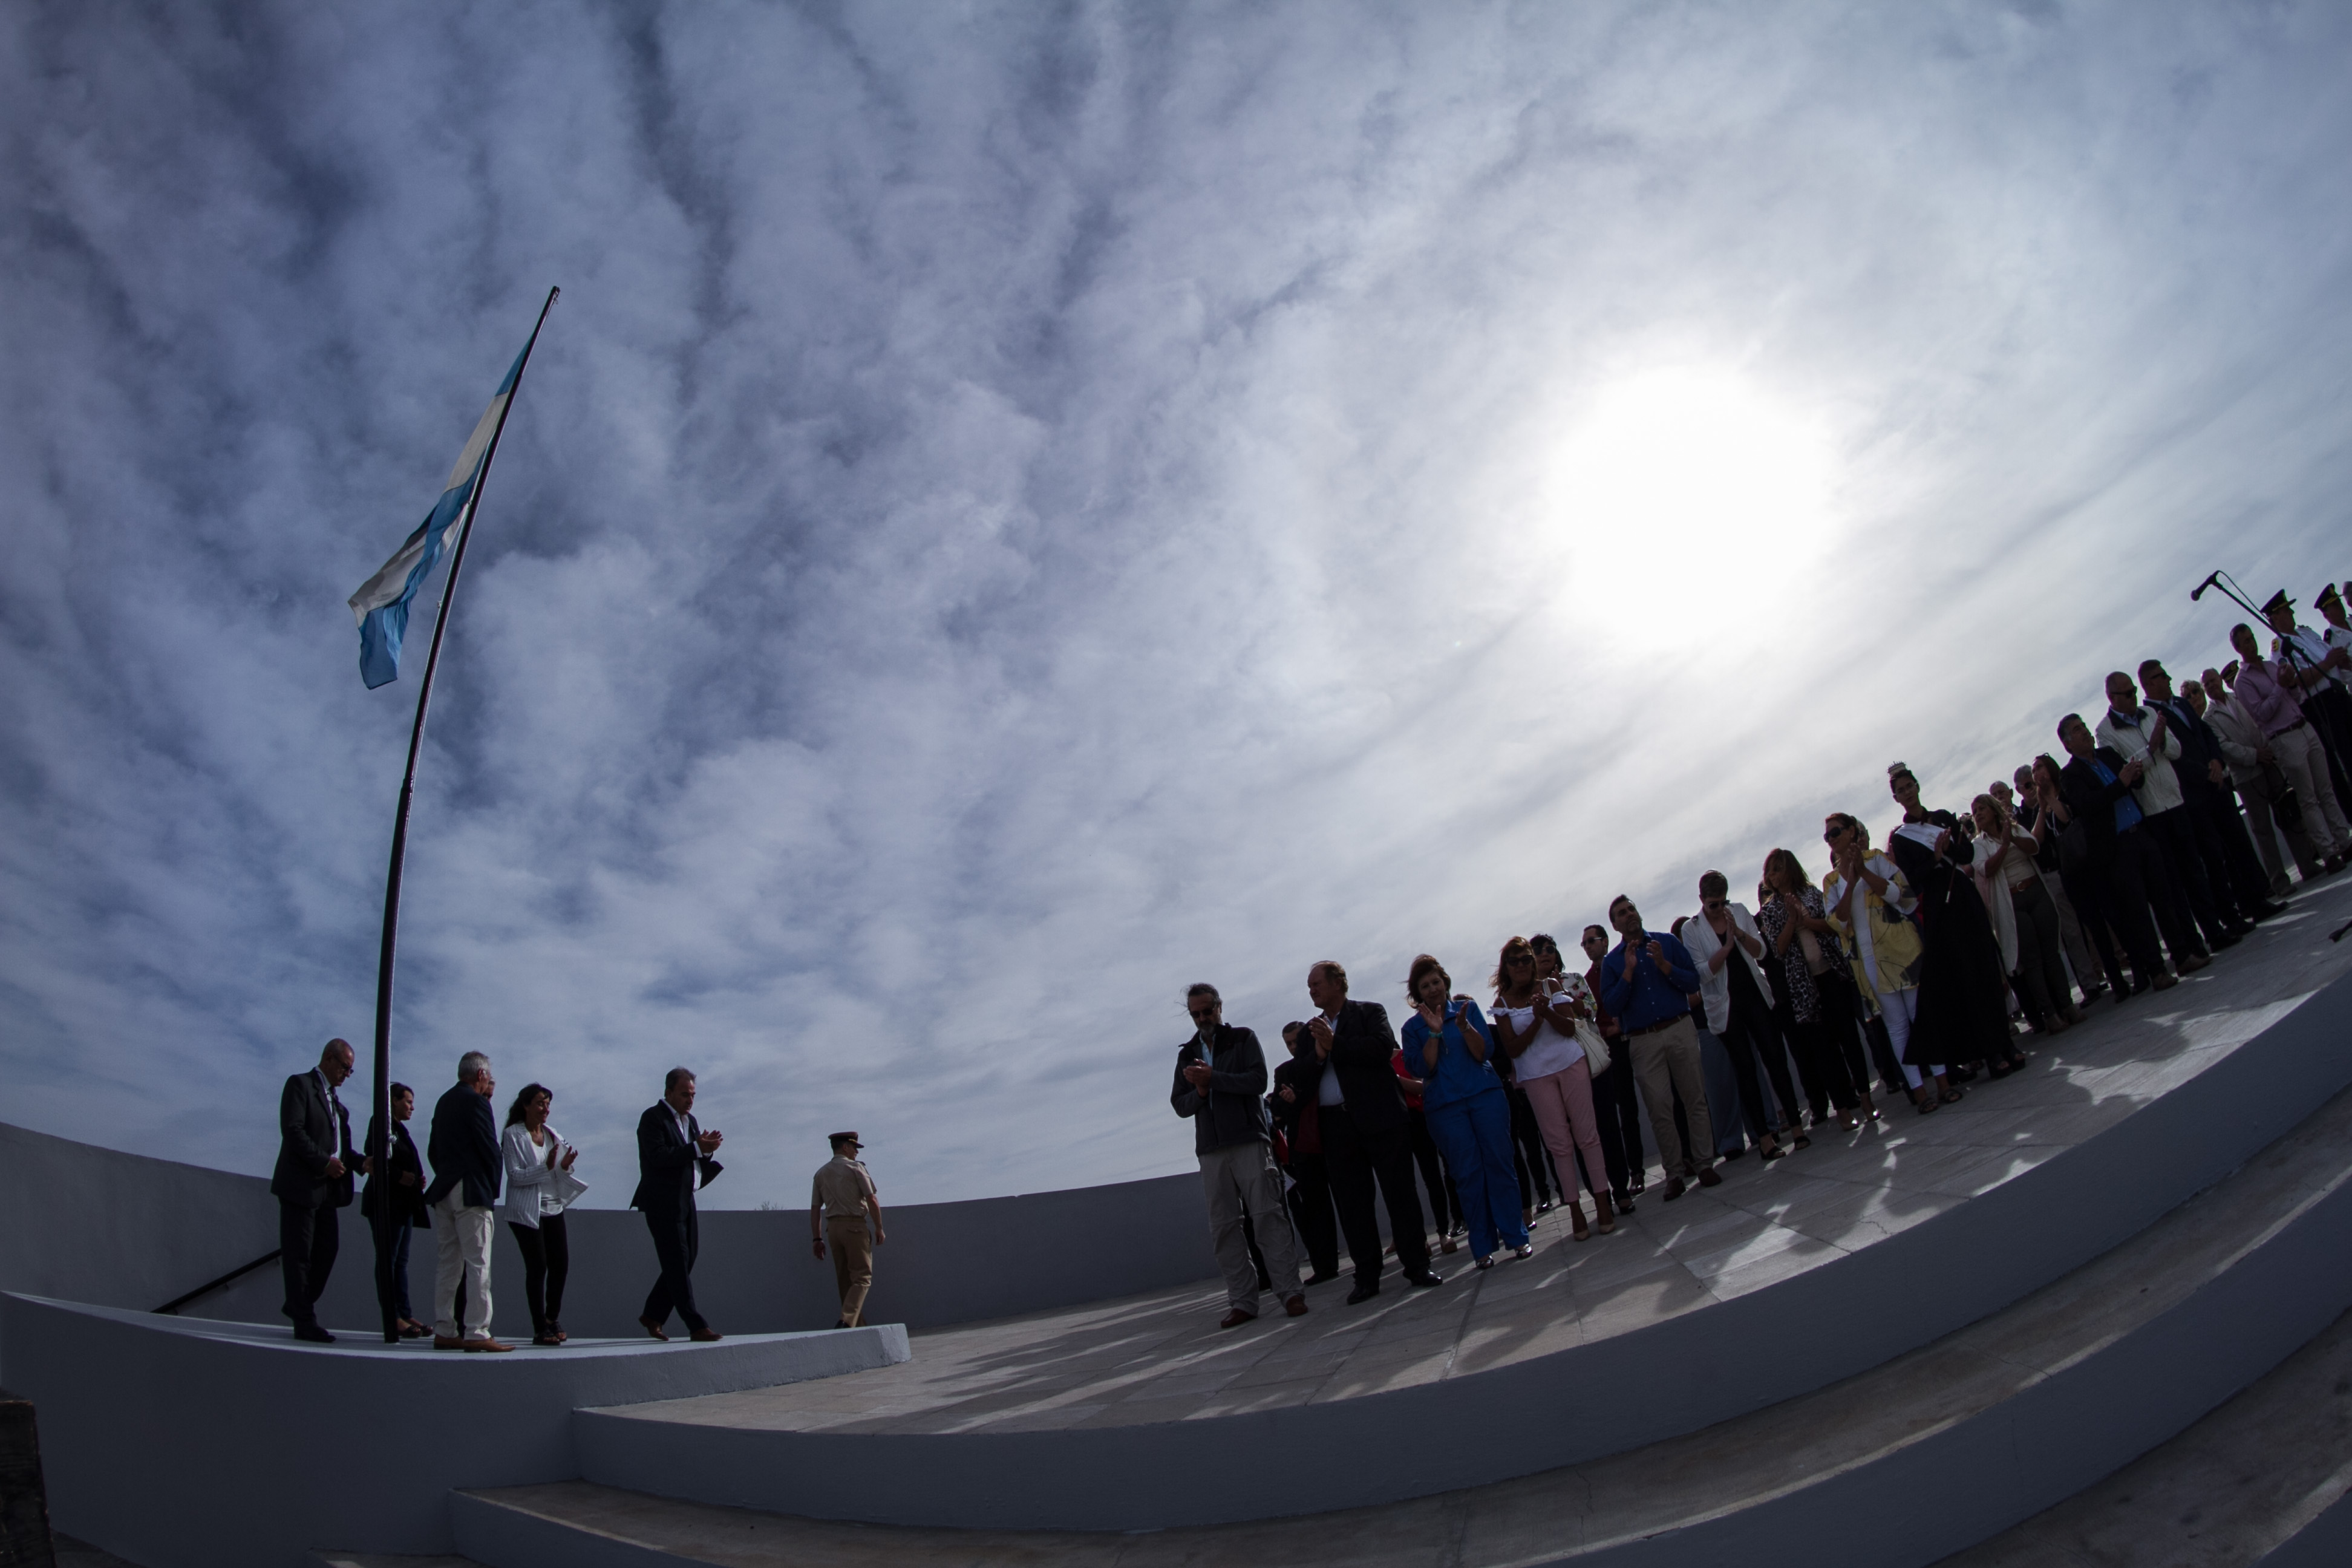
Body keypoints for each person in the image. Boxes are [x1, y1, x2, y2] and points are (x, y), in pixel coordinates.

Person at [1301, 961, 1442, 1304]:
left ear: (1338, 984)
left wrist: (1336, 1045)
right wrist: (1319, 1057)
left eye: (1317, 984)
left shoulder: (1370, 1012)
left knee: (1400, 1193)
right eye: (1309, 986)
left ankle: (1417, 1266)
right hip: (1338, 1127)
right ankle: (1366, 1276)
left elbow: (1381, 1050)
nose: (1312, 991)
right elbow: (1303, 1077)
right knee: (1353, 1204)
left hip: (1381, 1118)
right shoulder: (1312, 1031)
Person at [1171, 984, 1307, 1327]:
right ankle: (1243, 1301)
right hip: (1212, 1151)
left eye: (1207, 1011)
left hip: (1249, 1141)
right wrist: (1201, 1090)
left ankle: (1290, 1292)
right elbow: (1180, 1105)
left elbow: (1258, 1080)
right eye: (1196, 1014)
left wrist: (1213, 1078)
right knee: (1224, 1228)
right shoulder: (1187, 1054)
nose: (1203, 1018)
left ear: (1219, 1007)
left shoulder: (1243, 1039)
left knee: (1268, 1216)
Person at [1885, 764, 2024, 1077]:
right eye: (1901, 791)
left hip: (1964, 895)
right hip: (1940, 907)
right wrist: (1934, 858)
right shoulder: (1902, 839)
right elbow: (1913, 882)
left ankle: (2007, 1043)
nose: (1907, 793)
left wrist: (1950, 848)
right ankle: (1989, 1052)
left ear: (1918, 786)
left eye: (1910, 786)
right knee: (1966, 978)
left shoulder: (1945, 817)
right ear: (1896, 798)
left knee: (1987, 967)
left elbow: (1966, 855)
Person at [1821, 814, 1960, 1112]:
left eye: (1835, 832)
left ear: (1851, 832)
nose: (1831, 840)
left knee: (1919, 1015)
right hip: (1869, 961)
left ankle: (1944, 1083)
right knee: (1897, 1026)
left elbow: (1903, 895)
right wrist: (1851, 881)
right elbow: (1837, 921)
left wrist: (1865, 873)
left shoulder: (1878, 859)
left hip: (1901, 950)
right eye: (1827, 836)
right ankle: (1920, 1092)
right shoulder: (1831, 881)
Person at [2099, 672, 2246, 952]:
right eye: (2127, 694)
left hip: (2176, 801)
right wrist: (2152, 748)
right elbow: (2127, 771)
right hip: (2153, 811)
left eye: (2133, 692)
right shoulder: (2106, 732)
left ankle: (2215, 931)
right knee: (2173, 883)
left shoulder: (2150, 713)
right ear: (2112, 698)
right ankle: (2192, 944)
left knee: (2195, 871)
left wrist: (2156, 746)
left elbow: (2176, 750)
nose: (2133, 698)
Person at [1400, 955, 1529, 1268]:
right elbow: (1421, 1068)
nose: (1433, 989)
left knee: (1500, 1163)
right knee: (1467, 1173)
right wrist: (1433, 1033)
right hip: (1445, 1108)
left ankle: (1516, 1237)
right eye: (1425, 986)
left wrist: (1464, 1027)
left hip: (1485, 1096)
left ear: (1445, 982)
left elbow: (1485, 1051)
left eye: (1436, 982)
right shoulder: (1412, 1028)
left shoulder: (1467, 1011)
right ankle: (1482, 1247)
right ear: (1418, 994)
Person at [2057, 715, 2197, 986]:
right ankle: (2157, 971)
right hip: (2117, 848)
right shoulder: (2071, 775)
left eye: (2084, 726)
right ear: (2067, 744)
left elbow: (2134, 783)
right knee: (2137, 911)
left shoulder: (2108, 754)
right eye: (2077, 730)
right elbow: (2088, 805)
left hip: (2140, 833)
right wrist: (2120, 784)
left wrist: (2135, 777)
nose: (2085, 732)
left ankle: (2182, 956)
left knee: (2163, 898)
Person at [1596, 895, 1721, 1198]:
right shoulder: (1612, 963)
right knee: (1659, 1108)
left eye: (1631, 910)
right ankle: (1675, 1173)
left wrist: (1665, 965)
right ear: (1615, 925)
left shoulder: (1666, 943)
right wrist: (1627, 972)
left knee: (1695, 1098)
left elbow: (1693, 982)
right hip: (1643, 1040)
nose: (1629, 916)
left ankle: (1704, 1163)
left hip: (1678, 1027)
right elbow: (1611, 1005)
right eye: (1621, 914)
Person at [2143, 661, 2285, 925]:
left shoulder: (2182, 705)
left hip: (2217, 784)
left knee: (2239, 843)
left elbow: (2207, 734)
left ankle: (2256, 900)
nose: (2169, 679)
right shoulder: (2151, 716)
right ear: (2150, 682)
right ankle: (2231, 914)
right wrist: (2205, 773)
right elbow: (2174, 756)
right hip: (2194, 795)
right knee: (2215, 856)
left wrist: (2217, 762)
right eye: (2163, 676)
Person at [1491, 936, 1613, 1241]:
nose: (1521, 965)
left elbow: (1570, 1028)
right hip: (1536, 1077)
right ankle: (1575, 1211)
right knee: (1558, 1145)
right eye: (1514, 961)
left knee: (1588, 1136)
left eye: (1525, 959)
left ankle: (1602, 1203)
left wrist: (1547, 1011)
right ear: (1505, 967)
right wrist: (1536, 1018)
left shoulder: (1551, 987)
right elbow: (1514, 1050)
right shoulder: (1501, 1005)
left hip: (1571, 1065)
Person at [1682, 872, 1803, 1158]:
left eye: (1723, 901)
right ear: (1702, 901)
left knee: (1775, 1059)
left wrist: (1739, 934)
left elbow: (1762, 952)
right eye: (1713, 904)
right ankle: (1764, 1139)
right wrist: (1725, 949)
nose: (1719, 908)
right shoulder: (1693, 928)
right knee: (1745, 1070)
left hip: (1755, 997)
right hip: (1726, 1008)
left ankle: (1797, 1128)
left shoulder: (1738, 912)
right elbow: (1702, 973)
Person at [1757, 848, 1875, 1130]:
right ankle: (1843, 1111)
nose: (1772, 876)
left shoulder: (1811, 893)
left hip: (1832, 974)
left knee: (1850, 1039)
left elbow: (1834, 927)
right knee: (1824, 1051)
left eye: (1777, 869)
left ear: (1789, 869)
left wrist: (1806, 920)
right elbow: (1779, 949)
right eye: (1769, 871)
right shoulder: (1770, 909)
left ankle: (1866, 1099)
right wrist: (1790, 920)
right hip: (1803, 986)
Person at [2230, 622, 2351, 873]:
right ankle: (2329, 852)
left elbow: (2294, 698)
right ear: (2238, 648)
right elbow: (2262, 714)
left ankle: (2345, 841)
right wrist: (2280, 686)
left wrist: (2291, 686)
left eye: (2252, 638)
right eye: (2246, 641)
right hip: (2284, 737)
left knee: (2326, 789)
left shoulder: (2273, 667)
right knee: (2308, 798)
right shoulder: (2243, 681)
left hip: (2303, 725)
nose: (2252, 644)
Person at [270, 1037, 365, 1344]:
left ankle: (298, 1304)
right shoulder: (300, 1085)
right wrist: (324, 1162)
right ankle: (304, 1320)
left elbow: (343, 1150)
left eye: (350, 1072)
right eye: (345, 1068)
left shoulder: (338, 1104)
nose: (346, 1076)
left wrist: (364, 1164)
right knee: (299, 1255)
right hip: (301, 1185)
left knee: (328, 1249)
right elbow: (293, 1130)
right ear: (329, 1059)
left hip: (327, 1190)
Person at [2204, 663, 2326, 891]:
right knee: (2263, 829)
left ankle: (2307, 864)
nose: (2211, 686)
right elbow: (2225, 747)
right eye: (2206, 684)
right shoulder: (2209, 718)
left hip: (2269, 762)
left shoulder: (2239, 698)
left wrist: (2268, 750)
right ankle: (2279, 881)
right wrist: (2254, 755)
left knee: (2289, 814)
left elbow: (2261, 721)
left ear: (2220, 681)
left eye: (2213, 681)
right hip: (2247, 775)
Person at [1970, 792, 2083, 1035]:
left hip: (2036, 891)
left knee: (2051, 952)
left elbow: (2034, 846)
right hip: (2013, 901)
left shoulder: (2013, 827)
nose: (1978, 814)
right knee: (2032, 960)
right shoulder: (1979, 845)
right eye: (1975, 811)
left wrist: (2011, 838)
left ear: (1993, 810)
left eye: (1982, 809)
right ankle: (2049, 1013)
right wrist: (2003, 846)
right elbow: (1986, 870)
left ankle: (2067, 1005)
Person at [630, 1067, 725, 1342]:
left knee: (686, 1259)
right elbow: (659, 1156)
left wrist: (706, 1150)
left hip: (686, 1198)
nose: (690, 1100)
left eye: (693, 1095)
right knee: (676, 1262)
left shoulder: (690, 1120)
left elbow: (690, 1156)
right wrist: (697, 1148)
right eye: (684, 1094)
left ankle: (653, 1313)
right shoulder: (652, 1118)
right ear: (668, 1092)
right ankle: (695, 1324)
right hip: (662, 1201)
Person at [423, 1052, 509, 1351]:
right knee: (478, 1262)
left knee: (448, 1263)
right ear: (482, 1075)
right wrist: (491, 1188)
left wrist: (446, 1174)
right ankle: (477, 1331)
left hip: (444, 1187)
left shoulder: (443, 1102)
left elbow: (433, 1149)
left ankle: (445, 1328)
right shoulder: (477, 1102)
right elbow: (490, 1149)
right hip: (470, 1190)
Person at [499, 1082, 584, 1347]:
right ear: (525, 1106)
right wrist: (545, 1167)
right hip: (527, 1210)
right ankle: (539, 1329)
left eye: (548, 1103)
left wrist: (565, 1167)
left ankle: (551, 1318)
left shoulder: (551, 1134)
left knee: (561, 1265)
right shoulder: (513, 1135)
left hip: (553, 1207)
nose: (545, 1108)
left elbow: (556, 1171)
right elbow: (514, 1176)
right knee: (538, 1267)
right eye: (539, 1103)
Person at [1269, 1024, 1342, 1284]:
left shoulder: (1328, 1060)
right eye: (1288, 1044)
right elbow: (1276, 1106)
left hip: (1335, 1140)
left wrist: (1294, 1100)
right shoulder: (1284, 1071)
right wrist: (1287, 1102)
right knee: (1314, 1209)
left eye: (1295, 1042)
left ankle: (1364, 1257)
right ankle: (1325, 1266)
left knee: (1349, 1202)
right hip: (1303, 1145)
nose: (1293, 1047)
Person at [1578, 926, 1644, 1209]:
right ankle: (1636, 1172)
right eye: (1583, 944)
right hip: (1613, 1046)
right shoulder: (1589, 980)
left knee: (1659, 1099)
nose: (1587, 947)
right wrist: (1608, 1029)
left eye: (1591, 941)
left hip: (1642, 1035)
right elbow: (1591, 1019)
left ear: (1605, 941)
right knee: (1626, 1109)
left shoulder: (1627, 959)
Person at [2267, 589, 2352, 806]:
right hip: (2320, 704)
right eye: (2287, 610)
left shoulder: (2306, 633)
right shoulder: (2281, 648)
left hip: (2338, 694)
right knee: (2340, 761)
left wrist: (2340, 662)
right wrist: (2328, 664)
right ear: (2276, 618)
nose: (2292, 612)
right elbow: (2297, 679)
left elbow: (2331, 656)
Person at [361, 1081, 430, 1339]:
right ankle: (393, 1316)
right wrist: (402, 1176)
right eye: (408, 1101)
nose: (412, 1107)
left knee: (400, 1262)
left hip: (404, 1205)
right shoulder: (381, 1123)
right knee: (388, 1261)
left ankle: (404, 1312)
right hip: (387, 1203)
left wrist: (416, 1179)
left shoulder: (401, 1130)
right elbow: (375, 1158)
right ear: (393, 1100)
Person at [811, 1132, 887, 1328]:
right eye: (854, 1148)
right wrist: (879, 1227)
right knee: (862, 1277)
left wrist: (817, 1238)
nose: (856, 1153)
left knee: (845, 1280)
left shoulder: (821, 1173)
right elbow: (871, 1199)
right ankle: (846, 1320)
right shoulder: (856, 1168)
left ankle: (857, 1327)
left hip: (833, 1230)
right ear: (845, 1147)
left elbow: (815, 1209)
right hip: (854, 1226)